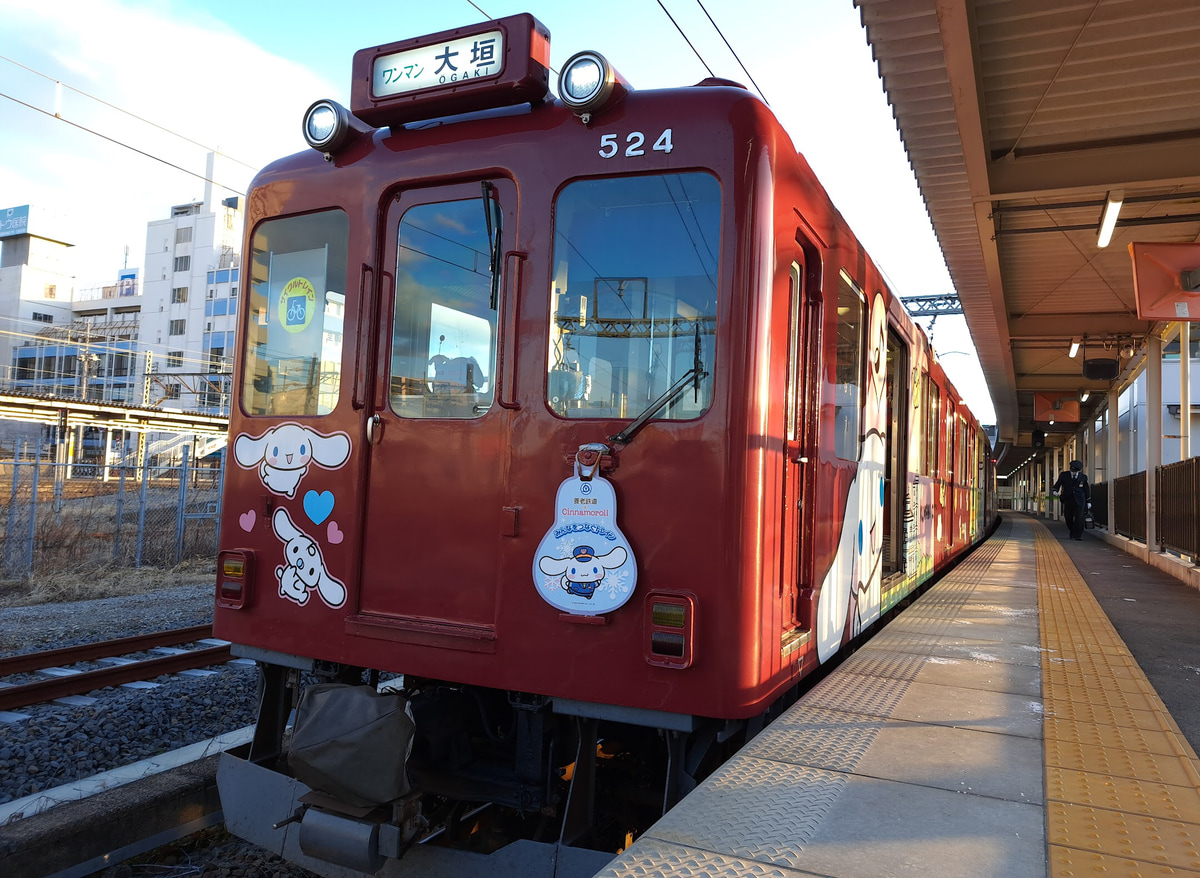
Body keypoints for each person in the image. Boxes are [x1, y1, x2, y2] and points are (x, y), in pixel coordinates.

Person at [1053, 459, 1091, 541]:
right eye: (1072, 471)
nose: (1074, 473)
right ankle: (1072, 530)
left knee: (1079, 518)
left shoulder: (1083, 477)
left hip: (1080, 500)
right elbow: (1058, 483)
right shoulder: (1064, 475)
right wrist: (1055, 490)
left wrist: (1088, 501)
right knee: (1068, 516)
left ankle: (1078, 535)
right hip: (1068, 499)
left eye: (1076, 471)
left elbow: (1086, 489)